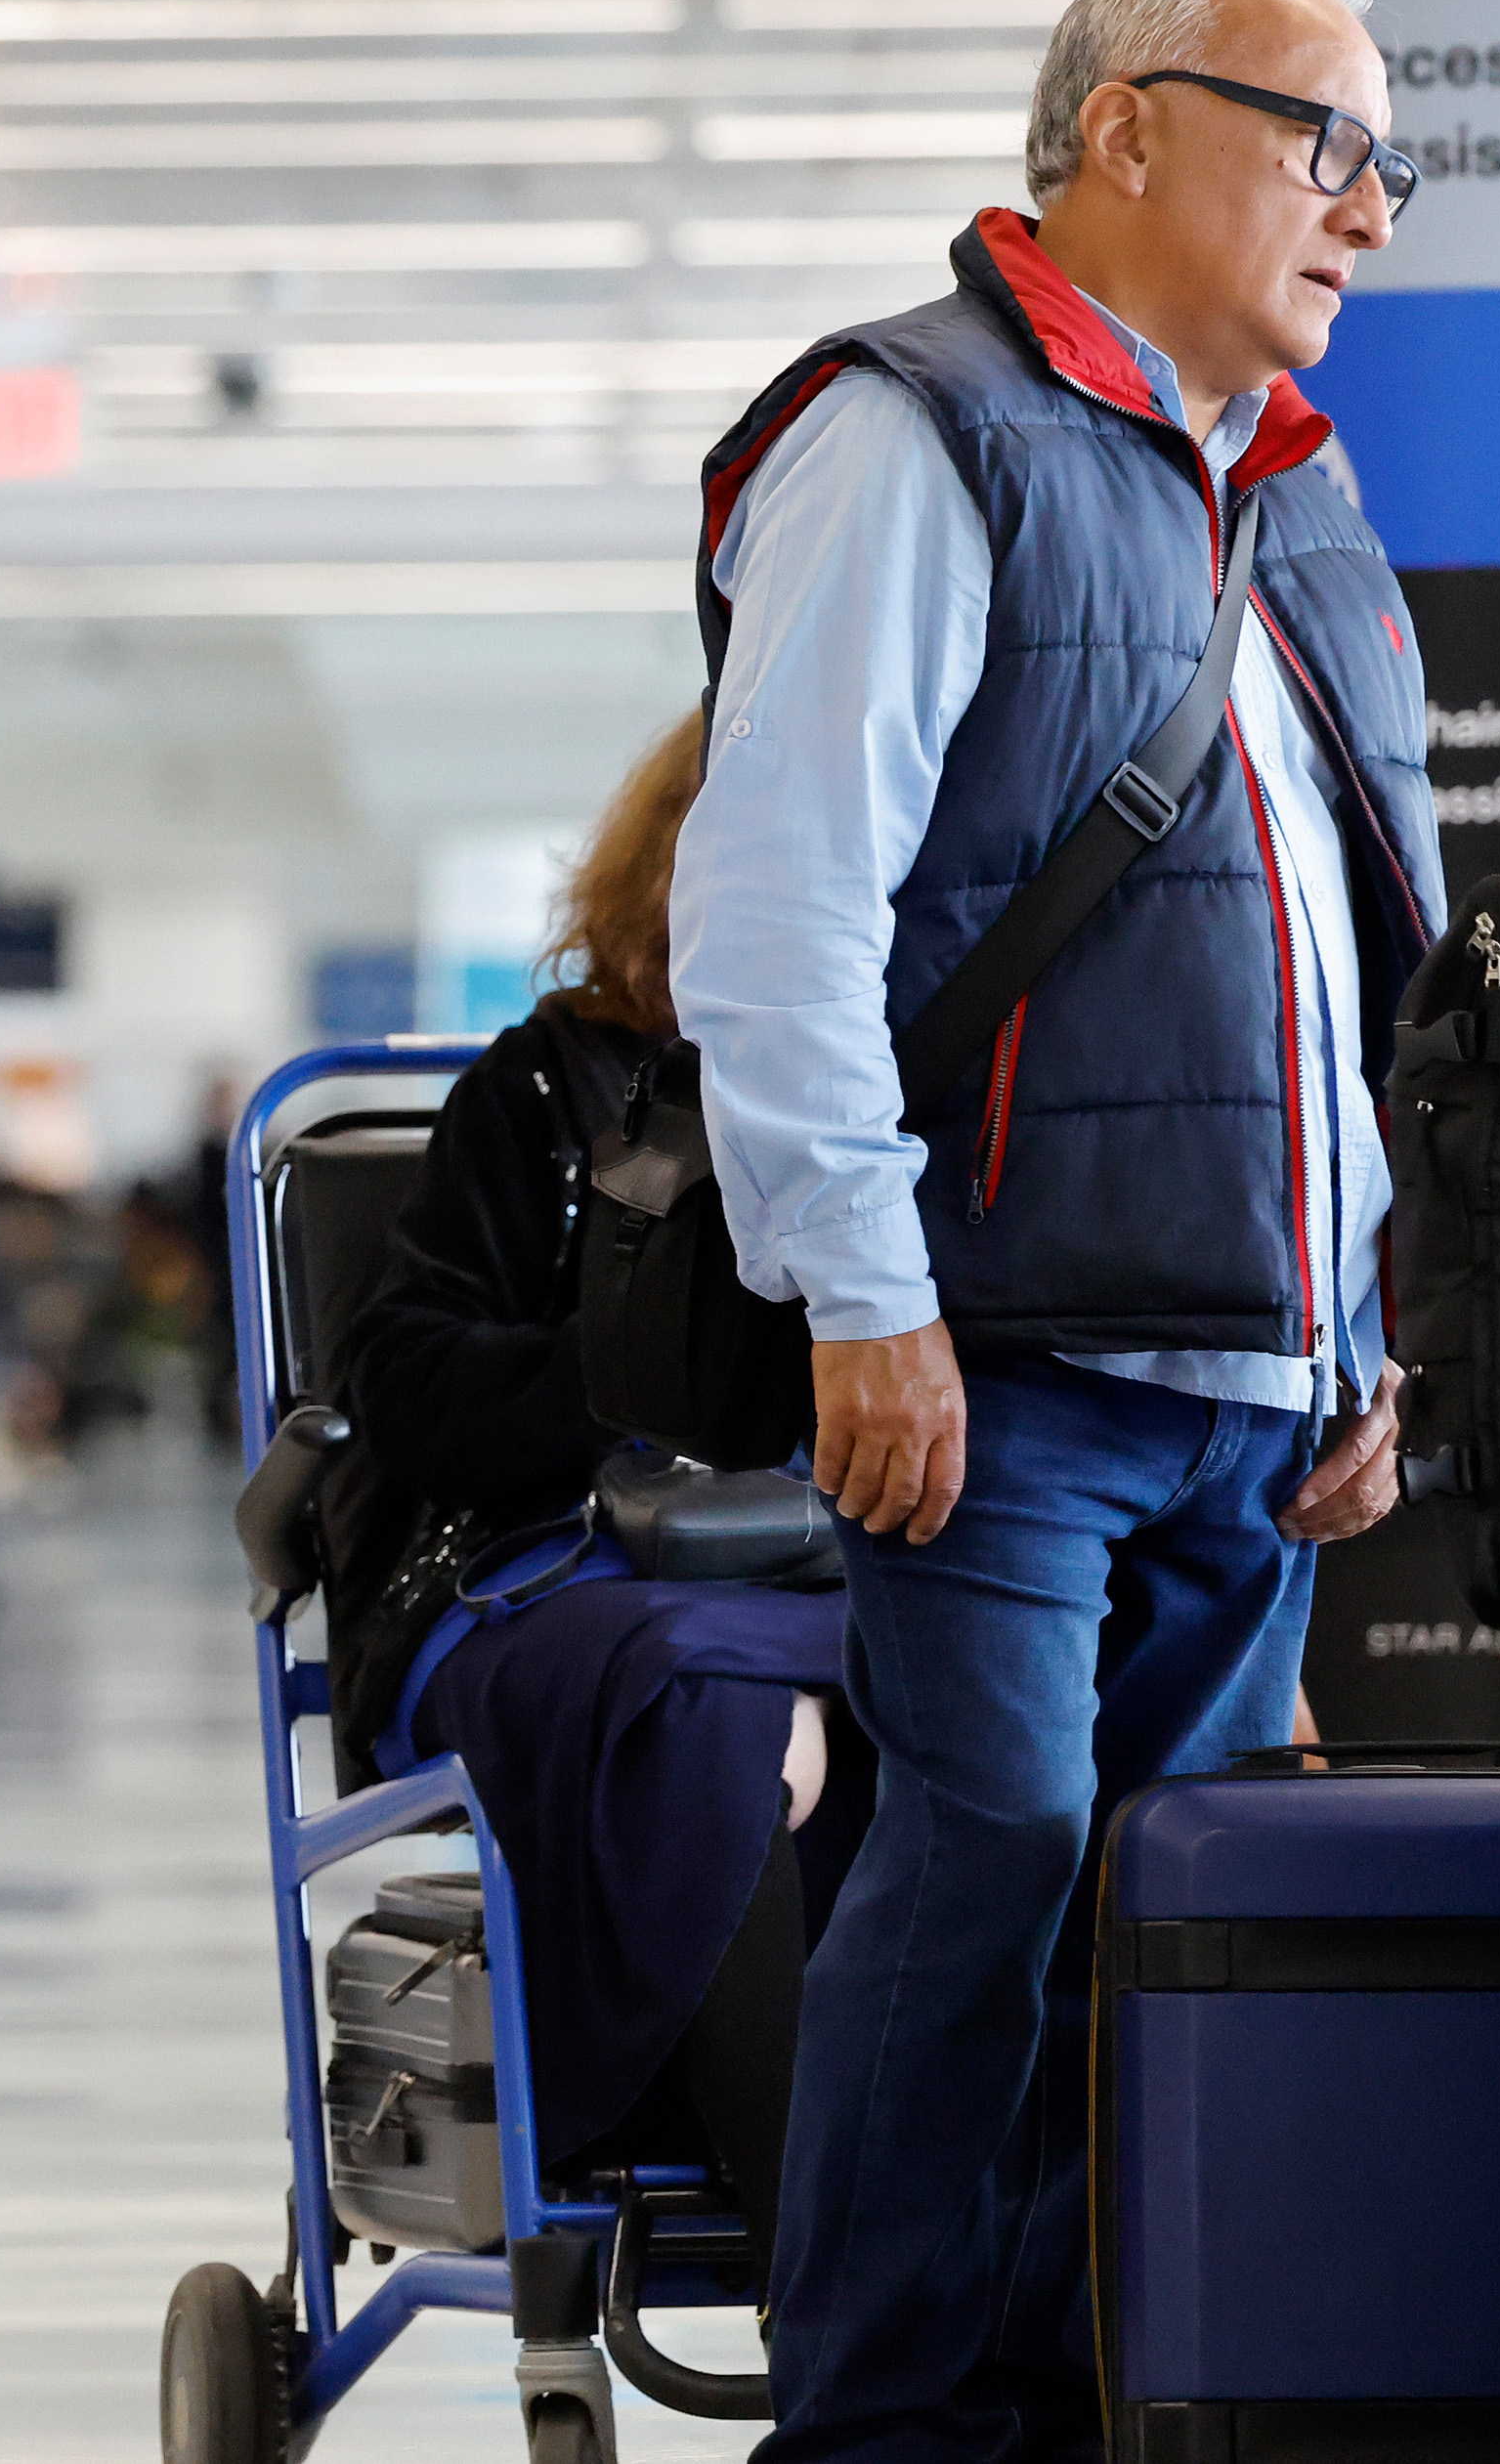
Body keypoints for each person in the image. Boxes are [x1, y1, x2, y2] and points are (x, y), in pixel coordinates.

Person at [664, 0, 1436, 2458]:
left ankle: (1076, 2400)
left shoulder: (1297, 509)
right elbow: (773, 908)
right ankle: (877, 2428)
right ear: (1127, 129)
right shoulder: (915, 435)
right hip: (1001, 1368)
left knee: (1165, 1922)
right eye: (1326, 139)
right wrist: (860, 1297)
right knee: (985, 1860)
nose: (1369, 205)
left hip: (1254, 1384)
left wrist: (1368, 1328)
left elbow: (1354, 966)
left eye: (1386, 166)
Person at [327, 708, 856, 2269]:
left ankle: (991, 2276)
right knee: (724, 1712)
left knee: (999, 1693)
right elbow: (402, 1382)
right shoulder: (545, 1095)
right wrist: (628, 1370)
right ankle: (826, 2289)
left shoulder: (886, 1107)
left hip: (802, 1583)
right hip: (530, 1577)